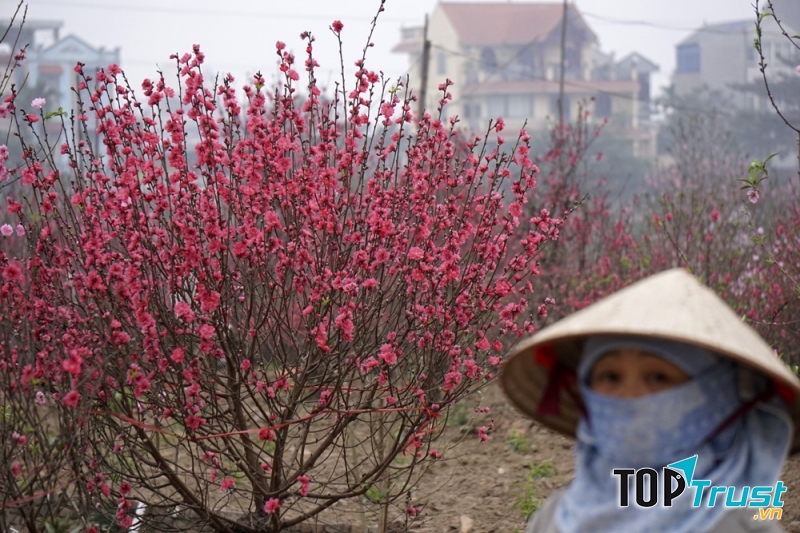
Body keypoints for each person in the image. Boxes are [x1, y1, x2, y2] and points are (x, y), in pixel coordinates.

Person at [499, 268, 800, 533]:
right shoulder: (555, 519)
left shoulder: (740, 526)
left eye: (658, 377)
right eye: (611, 377)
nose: (629, 399)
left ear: (715, 397)